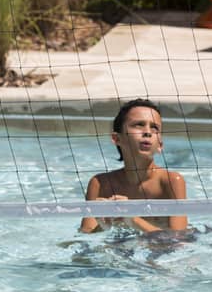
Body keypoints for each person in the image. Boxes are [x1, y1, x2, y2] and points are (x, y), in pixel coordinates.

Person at [80, 99, 188, 234]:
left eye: (154, 127)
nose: (148, 132)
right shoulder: (101, 184)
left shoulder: (171, 181)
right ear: (116, 138)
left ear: (160, 145)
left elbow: (178, 239)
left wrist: (132, 218)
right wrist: (103, 224)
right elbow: (86, 235)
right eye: (139, 125)